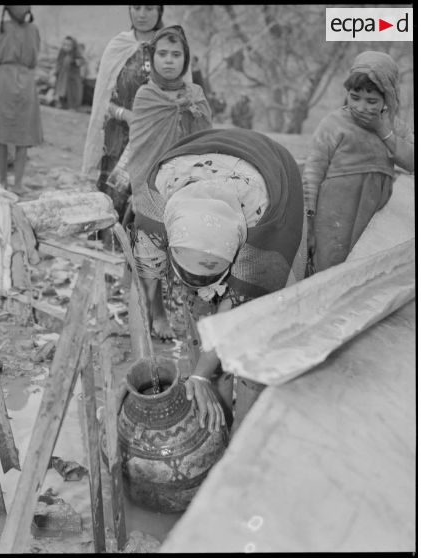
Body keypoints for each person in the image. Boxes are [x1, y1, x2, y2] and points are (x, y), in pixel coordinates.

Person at [131, 127, 307, 432]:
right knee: (199, 323)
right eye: (188, 273)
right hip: (193, 184)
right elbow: (142, 288)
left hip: (273, 179)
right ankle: (215, 424)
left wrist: (199, 374)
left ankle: (244, 435)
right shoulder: (155, 208)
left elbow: (234, 312)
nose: (203, 286)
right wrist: (143, 369)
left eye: (213, 272)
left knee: (253, 338)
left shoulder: (264, 232)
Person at [127, 24, 212, 340]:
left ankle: (195, 329)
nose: (169, 60)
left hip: (188, 189)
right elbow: (140, 146)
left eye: (176, 54)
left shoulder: (196, 96)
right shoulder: (146, 95)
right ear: (151, 58)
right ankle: (146, 325)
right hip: (151, 188)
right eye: (162, 53)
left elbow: (206, 142)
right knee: (150, 262)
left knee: (191, 259)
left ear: (185, 59)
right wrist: (139, 189)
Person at [303, 51, 414, 273]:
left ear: (388, 98)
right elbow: (313, 172)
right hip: (333, 218)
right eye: (355, 97)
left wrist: (383, 130)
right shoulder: (333, 123)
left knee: (363, 273)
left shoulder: (395, 128)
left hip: (374, 221)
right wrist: (310, 223)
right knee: (328, 272)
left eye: (372, 101)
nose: (361, 107)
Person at [81, 5, 165, 224]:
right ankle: (107, 243)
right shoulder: (118, 46)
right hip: (117, 140)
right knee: (111, 204)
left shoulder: (169, 47)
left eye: (149, 8)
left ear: (160, 11)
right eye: (136, 7)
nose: (142, 14)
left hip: (155, 139)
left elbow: (182, 96)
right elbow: (102, 101)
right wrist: (124, 114)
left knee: (146, 208)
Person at [0, 5, 43, 195]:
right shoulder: (33, 30)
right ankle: (18, 183)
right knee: (23, 136)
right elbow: (34, 57)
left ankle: (2, 180)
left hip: (2, 79)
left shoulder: (1, 28)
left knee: (2, 134)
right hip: (25, 80)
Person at [54, 36, 85, 110]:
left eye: (68, 45)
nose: (66, 47)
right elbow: (58, 62)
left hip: (72, 77)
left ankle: (73, 106)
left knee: (73, 92)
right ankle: (62, 104)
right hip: (63, 75)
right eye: (64, 44)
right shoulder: (62, 52)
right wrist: (56, 71)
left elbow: (81, 61)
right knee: (62, 90)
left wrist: (75, 62)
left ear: (73, 46)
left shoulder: (75, 52)